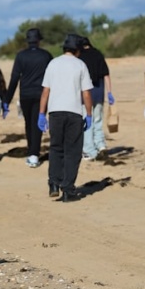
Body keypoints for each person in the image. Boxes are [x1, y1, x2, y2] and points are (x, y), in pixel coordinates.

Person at [38, 34, 93, 202]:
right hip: (74, 112)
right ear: (77, 50)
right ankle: (68, 189)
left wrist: (41, 113)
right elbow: (86, 93)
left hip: (55, 112)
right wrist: (89, 114)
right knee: (73, 152)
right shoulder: (80, 65)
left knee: (56, 148)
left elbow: (45, 91)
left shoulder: (53, 63)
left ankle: (54, 183)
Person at [4, 28, 53, 168]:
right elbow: (53, 76)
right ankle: (34, 154)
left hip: (25, 95)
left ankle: (32, 152)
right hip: (41, 94)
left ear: (28, 41)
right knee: (38, 123)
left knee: (28, 123)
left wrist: (7, 99)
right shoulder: (46, 56)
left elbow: (14, 79)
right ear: (38, 40)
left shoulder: (21, 56)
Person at [77, 37, 114, 160]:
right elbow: (106, 75)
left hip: (85, 96)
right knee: (98, 121)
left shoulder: (80, 58)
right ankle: (101, 145)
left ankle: (89, 150)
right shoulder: (98, 54)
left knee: (87, 122)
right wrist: (109, 93)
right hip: (99, 94)